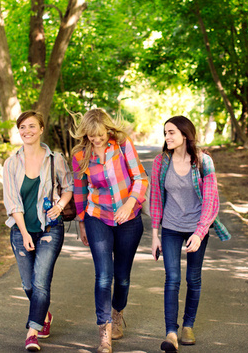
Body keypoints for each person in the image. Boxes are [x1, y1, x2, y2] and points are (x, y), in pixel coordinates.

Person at [150, 115, 231, 352]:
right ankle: (171, 332)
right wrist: (155, 235)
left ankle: (188, 326)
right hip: (171, 228)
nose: (167, 137)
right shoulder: (160, 162)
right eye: (165, 133)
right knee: (172, 279)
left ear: (185, 134)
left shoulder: (203, 162)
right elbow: (155, 199)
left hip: (198, 226)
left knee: (193, 278)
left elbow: (211, 200)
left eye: (171, 132)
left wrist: (200, 231)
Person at [71, 108, 148, 353]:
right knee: (103, 275)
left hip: (129, 219)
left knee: (122, 276)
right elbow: (80, 190)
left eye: (101, 134)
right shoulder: (80, 155)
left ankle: (117, 313)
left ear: (108, 129)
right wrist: (82, 222)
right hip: (97, 218)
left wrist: (129, 204)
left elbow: (141, 178)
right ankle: (104, 330)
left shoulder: (123, 145)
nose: (96, 139)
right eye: (92, 135)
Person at [3, 110, 74, 352]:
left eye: (32, 126)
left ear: (41, 129)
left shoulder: (55, 159)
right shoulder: (11, 163)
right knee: (29, 284)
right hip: (21, 230)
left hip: (50, 228)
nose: (27, 131)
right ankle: (44, 314)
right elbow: (12, 202)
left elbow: (68, 187)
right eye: (22, 127)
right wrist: (23, 233)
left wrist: (61, 206)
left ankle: (32, 332)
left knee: (41, 282)